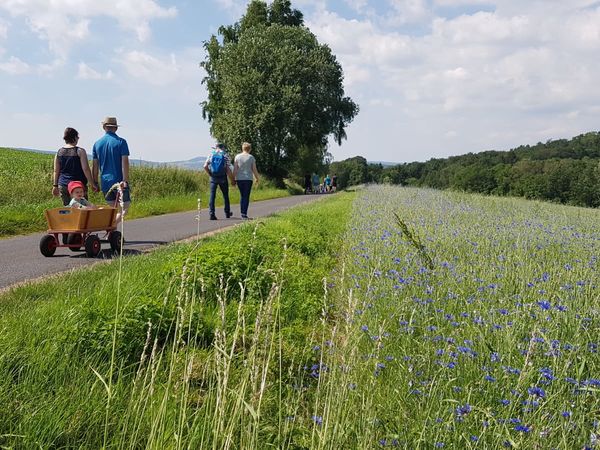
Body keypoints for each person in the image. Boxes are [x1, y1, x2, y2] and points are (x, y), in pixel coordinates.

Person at [92, 117, 131, 224]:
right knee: (124, 208)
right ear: (116, 128)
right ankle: (111, 227)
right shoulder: (121, 142)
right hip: (119, 181)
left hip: (105, 182)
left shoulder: (97, 144)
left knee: (112, 209)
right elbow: (125, 162)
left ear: (104, 127)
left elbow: (95, 166)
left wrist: (94, 182)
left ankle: (111, 230)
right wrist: (125, 180)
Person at [52, 127, 97, 206]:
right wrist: (92, 183)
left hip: (63, 185)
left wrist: (55, 186)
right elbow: (86, 169)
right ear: (75, 137)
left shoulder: (59, 152)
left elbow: (56, 171)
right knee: (83, 210)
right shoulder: (80, 151)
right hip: (78, 186)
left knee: (68, 210)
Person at [204, 142, 234, 220]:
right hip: (223, 177)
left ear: (216, 147)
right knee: (225, 195)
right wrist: (232, 180)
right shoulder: (225, 154)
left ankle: (212, 214)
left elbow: (205, 166)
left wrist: (210, 174)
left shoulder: (211, 154)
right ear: (223, 147)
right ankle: (227, 213)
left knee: (212, 195)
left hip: (213, 178)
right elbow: (228, 169)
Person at [233, 142, 260, 219]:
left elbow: (235, 169)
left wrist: (233, 179)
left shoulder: (237, 157)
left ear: (242, 148)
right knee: (246, 196)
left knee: (242, 196)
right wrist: (257, 178)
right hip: (248, 179)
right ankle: (244, 214)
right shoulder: (251, 157)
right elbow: (254, 169)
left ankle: (243, 213)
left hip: (239, 179)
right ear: (250, 149)